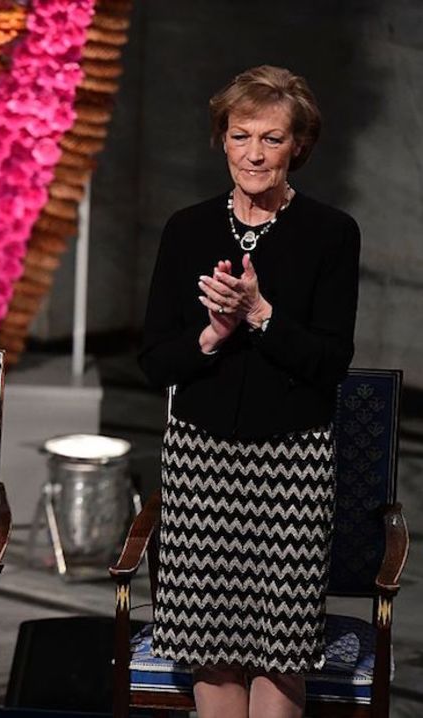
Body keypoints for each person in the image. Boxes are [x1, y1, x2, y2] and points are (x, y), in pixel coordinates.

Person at [139, 65, 360, 717]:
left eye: (272, 138)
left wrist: (262, 315)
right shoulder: (186, 230)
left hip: (292, 464)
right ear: (222, 140)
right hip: (201, 464)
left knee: (281, 648)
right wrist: (212, 333)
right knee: (211, 644)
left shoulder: (330, 234)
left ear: (299, 146)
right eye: (241, 136)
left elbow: (332, 362)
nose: (255, 153)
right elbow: (155, 362)